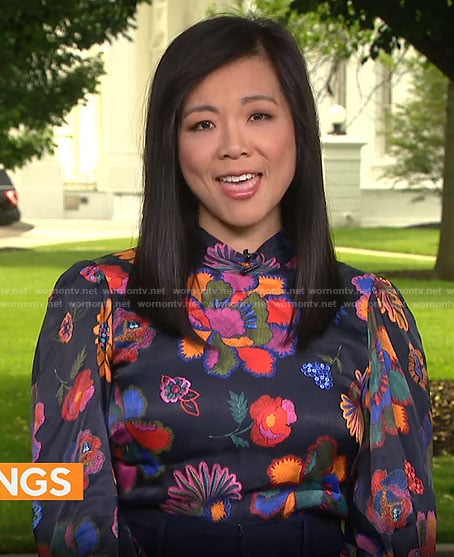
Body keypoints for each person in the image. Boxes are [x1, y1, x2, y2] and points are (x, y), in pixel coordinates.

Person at [31, 14, 437, 557]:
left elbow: (404, 519)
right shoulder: (91, 296)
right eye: (202, 124)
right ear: (171, 145)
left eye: (259, 115)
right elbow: (52, 494)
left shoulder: (371, 306)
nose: (233, 146)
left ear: (297, 128)